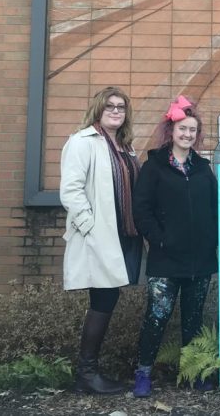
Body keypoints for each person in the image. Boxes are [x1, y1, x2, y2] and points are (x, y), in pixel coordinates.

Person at [131, 95, 219, 398]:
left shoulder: (203, 168)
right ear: (172, 130)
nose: (187, 135)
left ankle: (192, 374)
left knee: (194, 320)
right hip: (166, 259)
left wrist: (214, 243)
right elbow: (141, 210)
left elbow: (215, 208)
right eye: (183, 129)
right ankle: (142, 374)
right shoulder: (154, 165)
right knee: (157, 318)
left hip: (200, 260)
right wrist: (160, 238)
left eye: (192, 130)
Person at [60, 86, 144, 394]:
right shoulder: (82, 142)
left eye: (121, 107)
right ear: (98, 109)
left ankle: (89, 371)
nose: (116, 111)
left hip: (123, 235)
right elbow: (70, 189)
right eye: (110, 105)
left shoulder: (124, 147)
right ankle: (86, 373)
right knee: (104, 298)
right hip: (99, 235)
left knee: (108, 297)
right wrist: (89, 226)